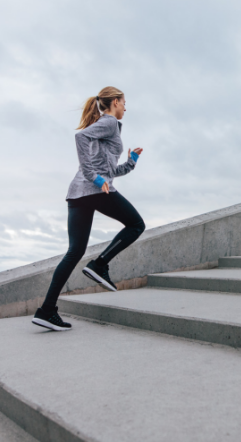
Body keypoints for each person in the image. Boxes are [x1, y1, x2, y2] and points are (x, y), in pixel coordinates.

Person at [32, 86, 145, 331]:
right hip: (94, 189)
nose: (126, 107)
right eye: (124, 102)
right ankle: (99, 264)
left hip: (78, 192)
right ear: (115, 102)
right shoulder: (109, 123)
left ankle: (46, 310)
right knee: (137, 225)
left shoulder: (108, 127)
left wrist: (131, 163)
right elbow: (80, 138)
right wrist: (93, 177)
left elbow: (110, 171)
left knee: (74, 252)